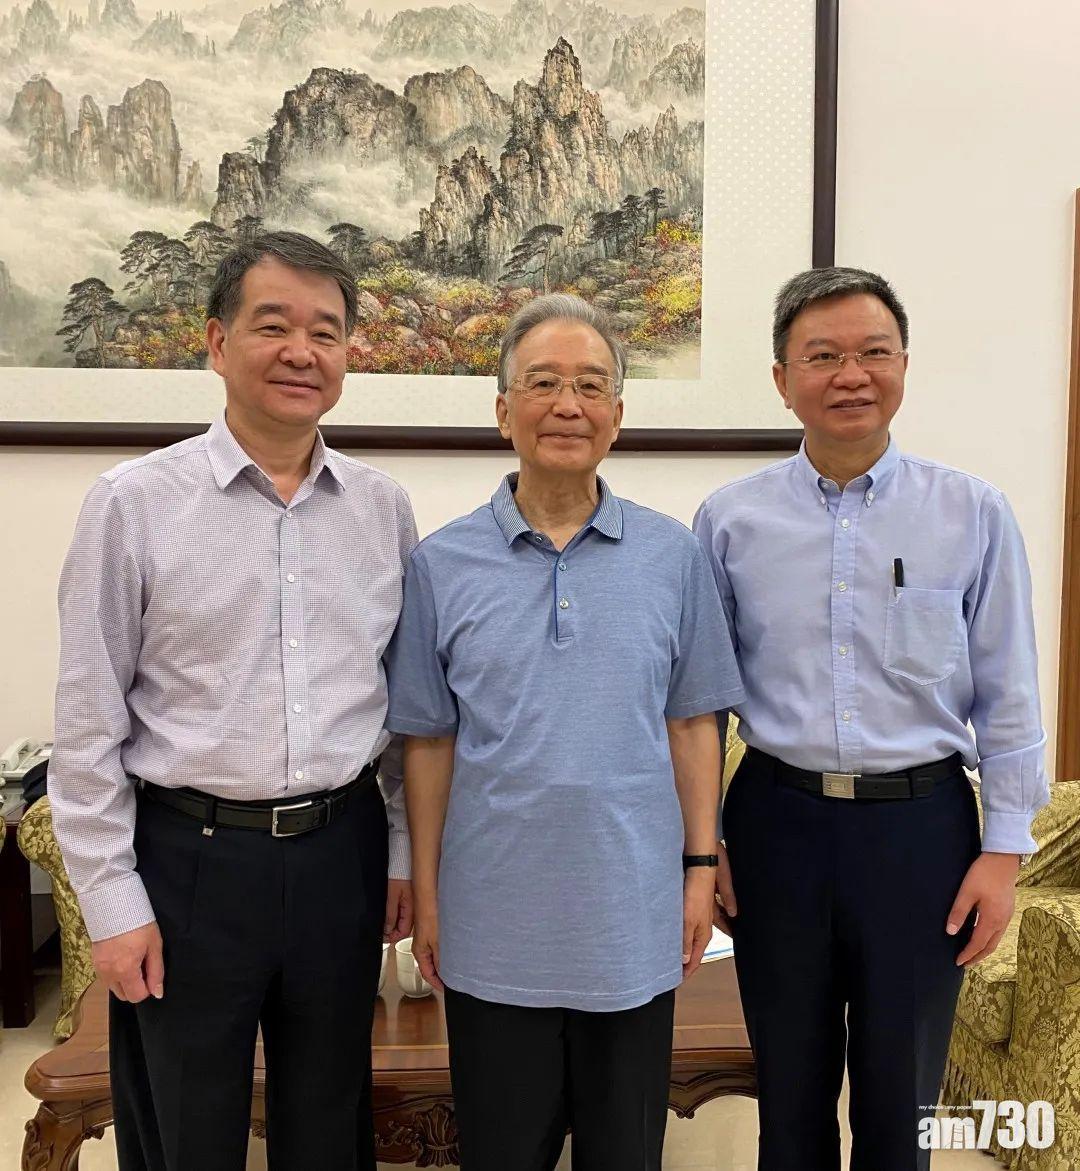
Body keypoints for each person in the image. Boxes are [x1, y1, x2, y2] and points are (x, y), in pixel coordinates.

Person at [49, 231, 418, 1171]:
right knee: (186, 1128)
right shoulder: (132, 503)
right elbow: (87, 725)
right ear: (217, 342)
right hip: (190, 863)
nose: (302, 351)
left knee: (330, 1121)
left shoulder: (382, 509)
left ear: (348, 354)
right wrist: (111, 903)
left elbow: (397, 710)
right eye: (273, 325)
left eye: (325, 332)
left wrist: (403, 851)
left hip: (341, 854)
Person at [693, 266, 1048, 1171]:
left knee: (901, 1103)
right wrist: (703, 844)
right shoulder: (730, 522)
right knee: (790, 1099)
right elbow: (698, 702)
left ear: (903, 366)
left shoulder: (972, 512)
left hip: (921, 832)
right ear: (783, 379)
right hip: (776, 825)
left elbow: (1010, 694)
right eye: (823, 356)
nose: (850, 374)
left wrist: (1004, 853)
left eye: (873, 352)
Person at [384, 293, 744, 1171]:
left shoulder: (672, 556)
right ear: (502, 409)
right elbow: (427, 744)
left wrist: (700, 870)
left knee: (626, 1152)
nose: (567, 405)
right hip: (492, 917)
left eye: (590, 385)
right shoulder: (440, 563)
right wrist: (427, 891)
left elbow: (693, 723)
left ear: (617, 413)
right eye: (542, 383)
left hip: (631, 915)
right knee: (503, 1151)